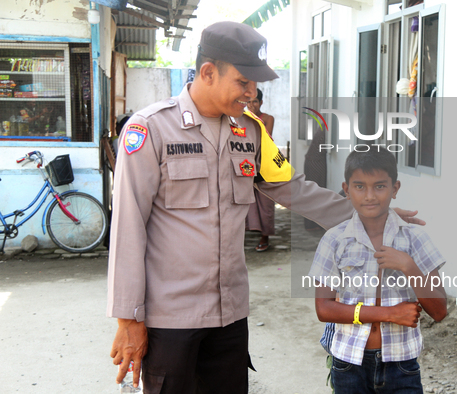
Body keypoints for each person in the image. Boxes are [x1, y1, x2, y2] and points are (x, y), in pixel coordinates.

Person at [107, 21, 424, 394]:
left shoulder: (251, 132)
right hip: (171, 319)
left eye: (255, 85)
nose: (252, 93)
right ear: (208, 72)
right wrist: (128, 319)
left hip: (230, 316)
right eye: (243, 82)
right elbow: (127, 227)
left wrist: (371, 214)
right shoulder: (151, 131)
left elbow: (294, 190)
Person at [309, 147, 447, 393]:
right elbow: (324, 309)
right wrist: (388, 313)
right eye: (360, 186)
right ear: (347, 189)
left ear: (395, 188)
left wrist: (409, 267)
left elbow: (439, 311)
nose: (370, 195)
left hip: (401, 366)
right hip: (348, 364)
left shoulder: (415, 239)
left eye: (380, 186)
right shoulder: (335, 240)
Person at [246, 88, 275, 251]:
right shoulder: (239, 119)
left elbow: (266, 137)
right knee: (245, 201)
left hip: (264, 165)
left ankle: (265, 236)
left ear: (261, 103)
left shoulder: (268, 118)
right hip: (245, 165)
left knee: (265, 202)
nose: (251, 105)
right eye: (248, 102)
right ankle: (243, 234)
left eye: (255, 101)